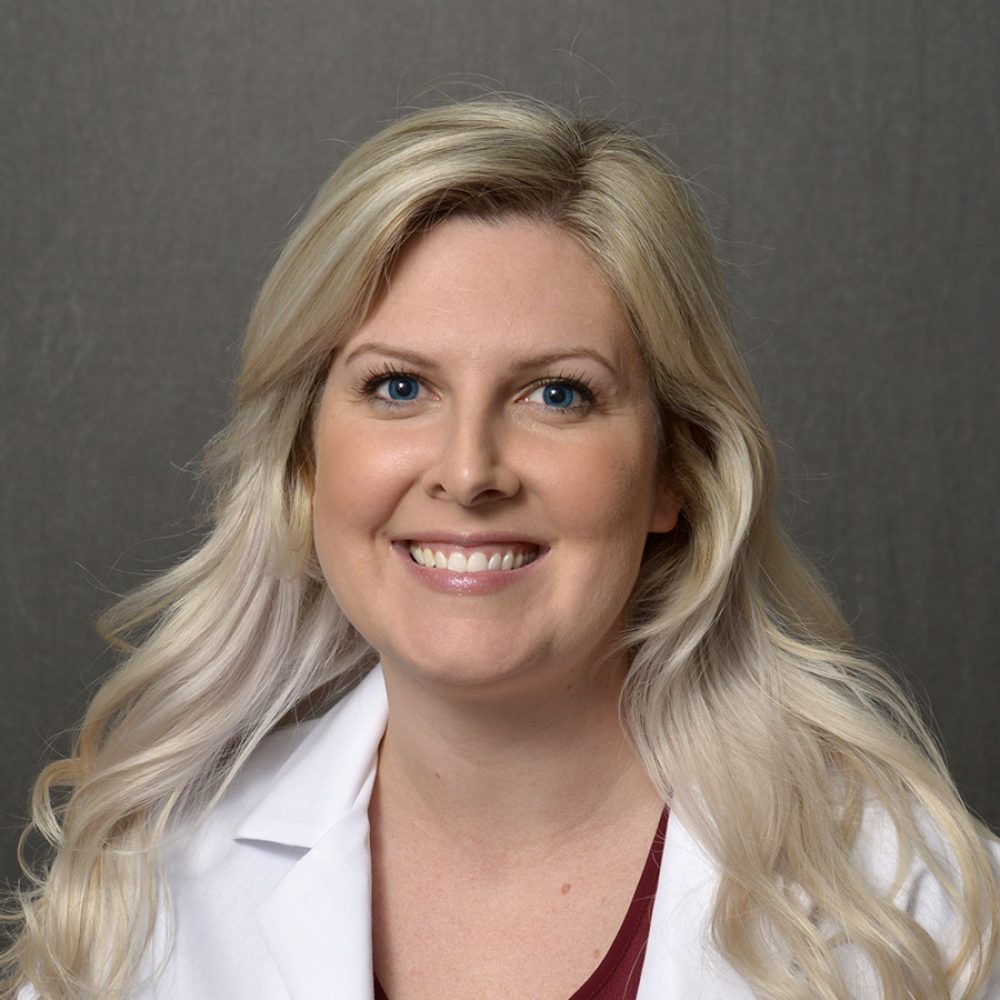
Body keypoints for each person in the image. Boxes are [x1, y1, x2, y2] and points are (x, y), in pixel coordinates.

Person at [3, 97, 998, 1000]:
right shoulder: (148, 898)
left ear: (674, 472)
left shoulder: (919, 905)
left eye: (556, 393)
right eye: (399, 386)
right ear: (308, 462)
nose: (468, 470)